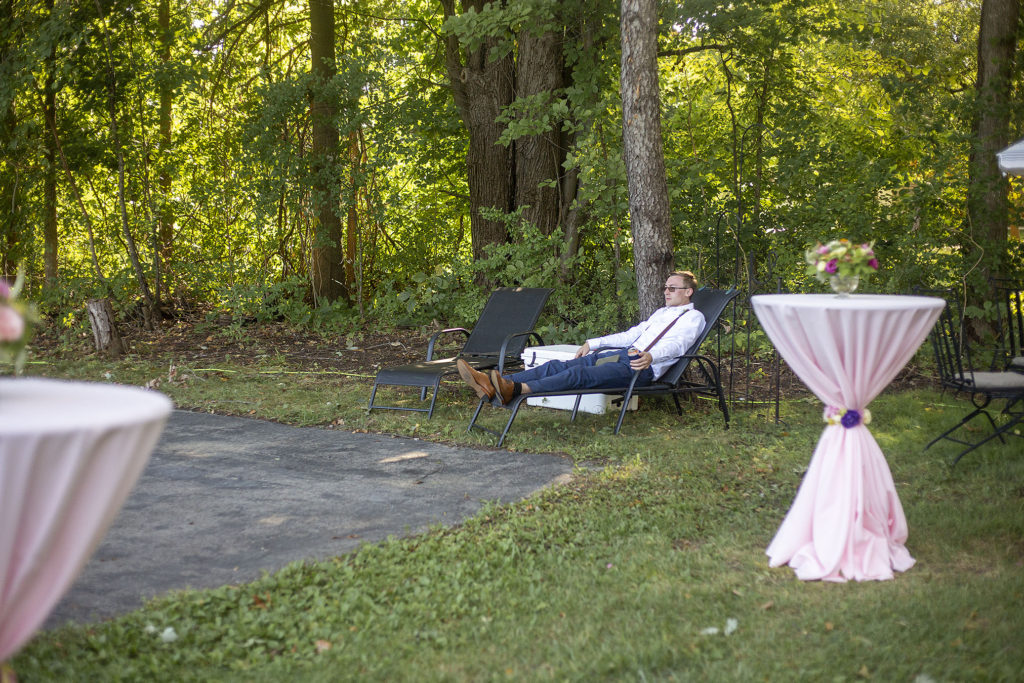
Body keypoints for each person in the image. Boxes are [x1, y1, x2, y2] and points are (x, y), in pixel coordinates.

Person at [457, 271, 706, 405]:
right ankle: (496, 382)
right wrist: (592, 343)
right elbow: (632, 334)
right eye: (665, 287)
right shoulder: (662, 312)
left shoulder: (693, 318)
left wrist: (651, 355)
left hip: (641, 367)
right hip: (620, 356)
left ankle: (516, 389)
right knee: (558, 365)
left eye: (672, 288)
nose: (666, 291)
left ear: (688, 292)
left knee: (578, 376)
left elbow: (678, 345)